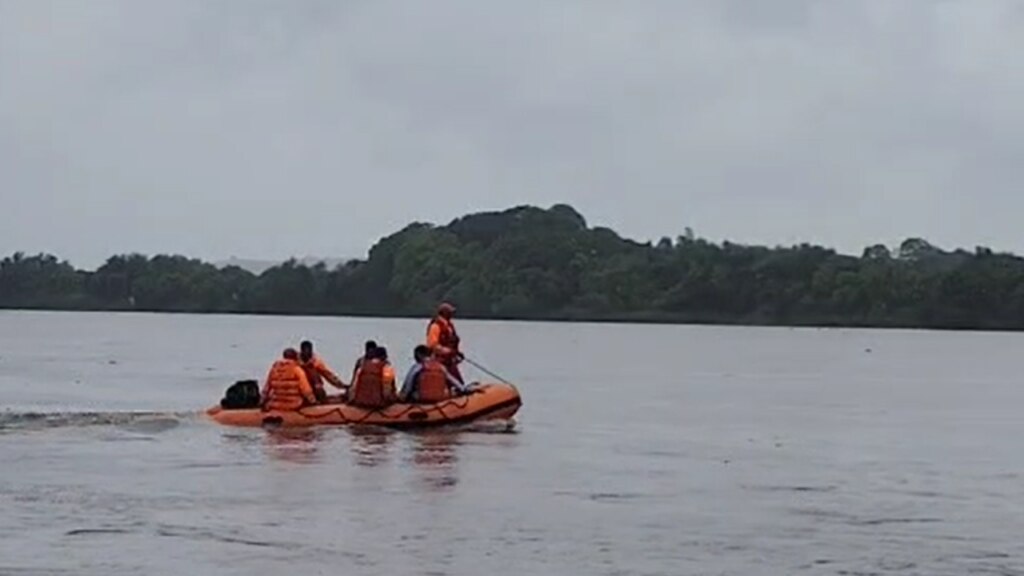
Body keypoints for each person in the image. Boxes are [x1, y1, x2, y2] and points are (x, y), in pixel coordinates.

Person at [399, 345, 470, 403]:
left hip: (420, 397)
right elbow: (453, 380)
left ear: (417, 357)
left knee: (411, 395)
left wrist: (403, 396)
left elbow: (409, 382)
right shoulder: (440, 367)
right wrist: (463, 389)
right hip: (439, 397)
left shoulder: (417, 367)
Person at [426, 302, 464, 383]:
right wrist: (448, 351)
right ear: (444, 313)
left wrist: (457, 353)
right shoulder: (435, 326)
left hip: (450, 361)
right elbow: (432, 345)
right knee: (453, 381)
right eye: (450, 312)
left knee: (459, 382)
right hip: (438, 361)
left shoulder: (449, 326)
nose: (452, 314)